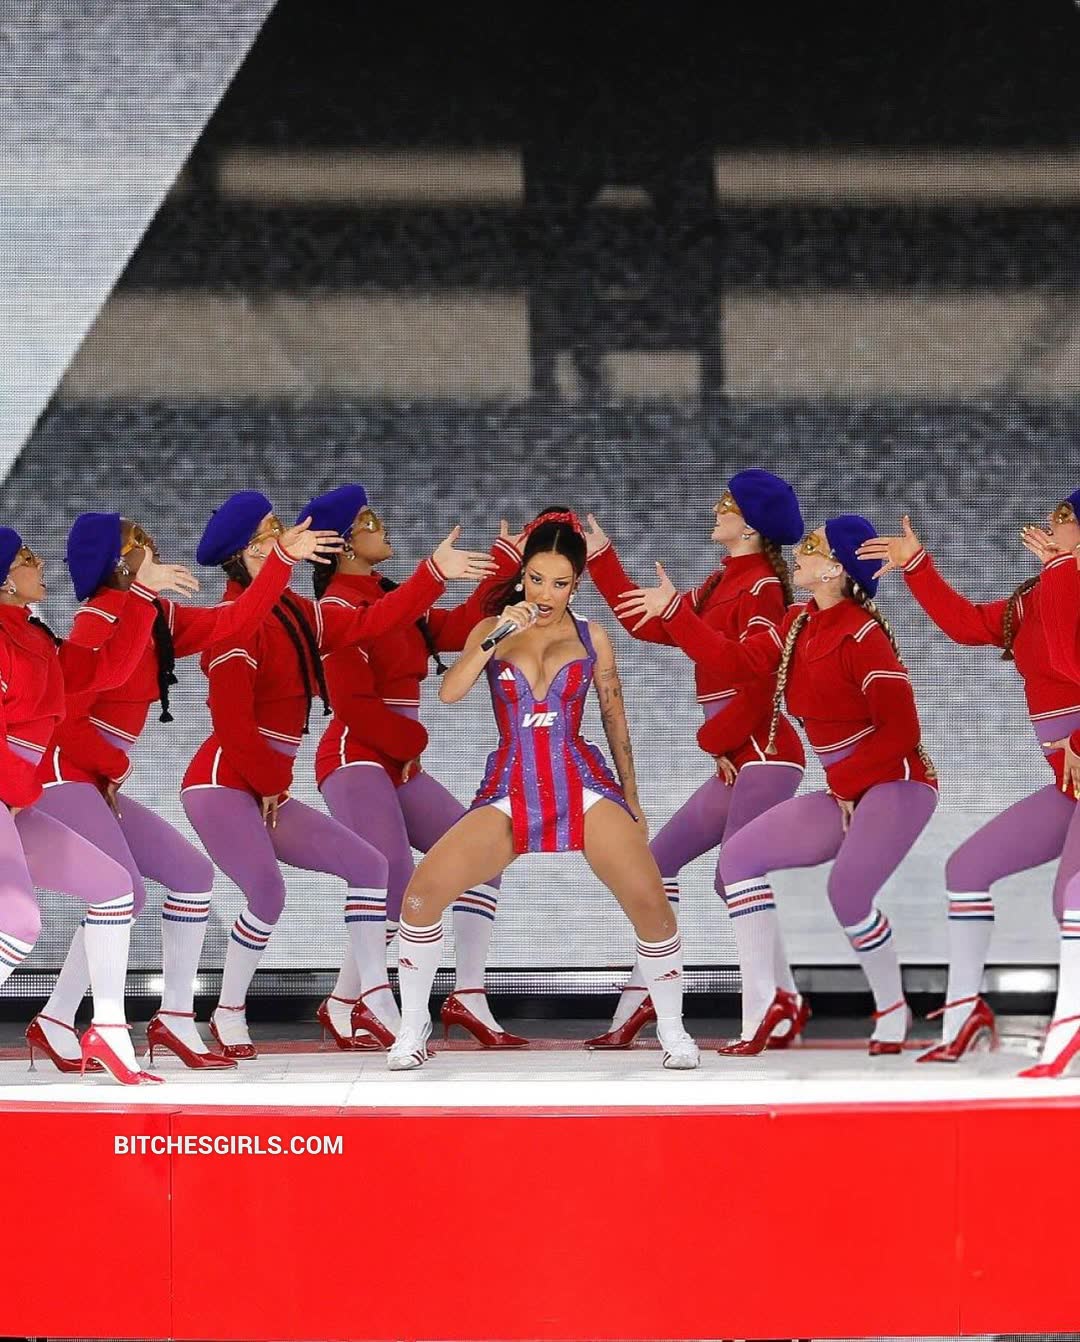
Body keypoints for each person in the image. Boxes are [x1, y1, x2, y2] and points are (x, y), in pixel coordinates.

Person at [180, 491, 496, 1058]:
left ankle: (369, 998)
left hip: (262, 787)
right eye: (275, 529)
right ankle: (225, 1012)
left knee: (370, 866)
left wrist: (432, 573)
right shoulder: (236, 623)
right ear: (255, 550)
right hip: (223, 784)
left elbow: (374, 620)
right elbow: (231, 724)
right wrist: (270, 783)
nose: (291, 530)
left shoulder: (298, 612)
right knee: (268, 893)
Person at [386, 508, 700, 1071]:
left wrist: (632, 797)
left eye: (559, 582)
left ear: (576, 583)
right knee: (420, 897)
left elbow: (613, 715)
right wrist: (500, 634)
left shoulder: (592, 636)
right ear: (522, 575)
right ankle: (412, 1030)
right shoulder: (492, 628)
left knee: (651, 905)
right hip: (510, 787)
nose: (546, 593)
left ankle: (674, 1030)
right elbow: (450, 693)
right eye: (536, 579)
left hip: (581, 782)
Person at [27, 509, 339, 1069]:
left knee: (192, 877)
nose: (152, 543)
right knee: (123, 892)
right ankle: (70, 1020)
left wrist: (282, 560)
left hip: (94, 776)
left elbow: (236, 618)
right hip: (63, 772)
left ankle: (170, 1018)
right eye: (139, 540)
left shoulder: (156, 614)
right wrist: (113, 765)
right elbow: (65, 715)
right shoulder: (97, 616)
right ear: (119, 560)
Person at [618, 516, 937, 1055]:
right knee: (738, 859)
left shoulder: (864, 637)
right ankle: (764, 1009)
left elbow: (902, 731)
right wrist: (674, 612)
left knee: (847, 895)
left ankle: (892, 1009)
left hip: (897, 783)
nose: (799, 552)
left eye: (812, 546)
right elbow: (735, 661)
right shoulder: (796, 624)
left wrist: (847, 784)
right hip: (846, 790)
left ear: (835, 569)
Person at [582, 470, 807, 1048]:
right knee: (658, 863)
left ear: (750, 527)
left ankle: (766, 1008)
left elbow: (750, 667)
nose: (714, 509)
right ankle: (650, 998)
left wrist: (718, 741)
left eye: (726, 504)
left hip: (763, 754)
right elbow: (644, 622)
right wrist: (601, 558)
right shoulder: (720, 582)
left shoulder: (763, 589)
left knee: (736, 873)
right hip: (740, 754)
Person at [858, 501, 1080, 1073]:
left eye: (1064, 514)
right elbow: (966, 625)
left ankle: (1070, 1027)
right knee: (968, 869)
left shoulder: (1060, 585)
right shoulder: (1040, 595)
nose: (1051, 521)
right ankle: (962, 1016)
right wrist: (917, 565)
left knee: (1072, 896)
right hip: (1069, 784)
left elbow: (1068, 659)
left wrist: (1062, 571)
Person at [306, 485, 526, 1047]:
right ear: (343, 544)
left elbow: (454, 631)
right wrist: (411, 742)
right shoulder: (335, 608)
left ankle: (463, 995)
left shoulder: (388, 594)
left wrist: (505, 567)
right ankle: (377, 1003)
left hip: (397, 758)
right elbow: (355, 704)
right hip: (356, 756)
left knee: (483, 852)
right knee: (394, 881)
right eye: (369, 521)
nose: (383, 527)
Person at [0, 524, 201, 1083]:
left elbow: (104, 671)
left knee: (114, 889)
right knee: (18, 923)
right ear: (3, 578)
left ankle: (108, 1030)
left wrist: (142, 594)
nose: (40, 562)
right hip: (10, 793)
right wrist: (19, 792)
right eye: (26, 556)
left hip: (14, 798)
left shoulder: (33, 634)